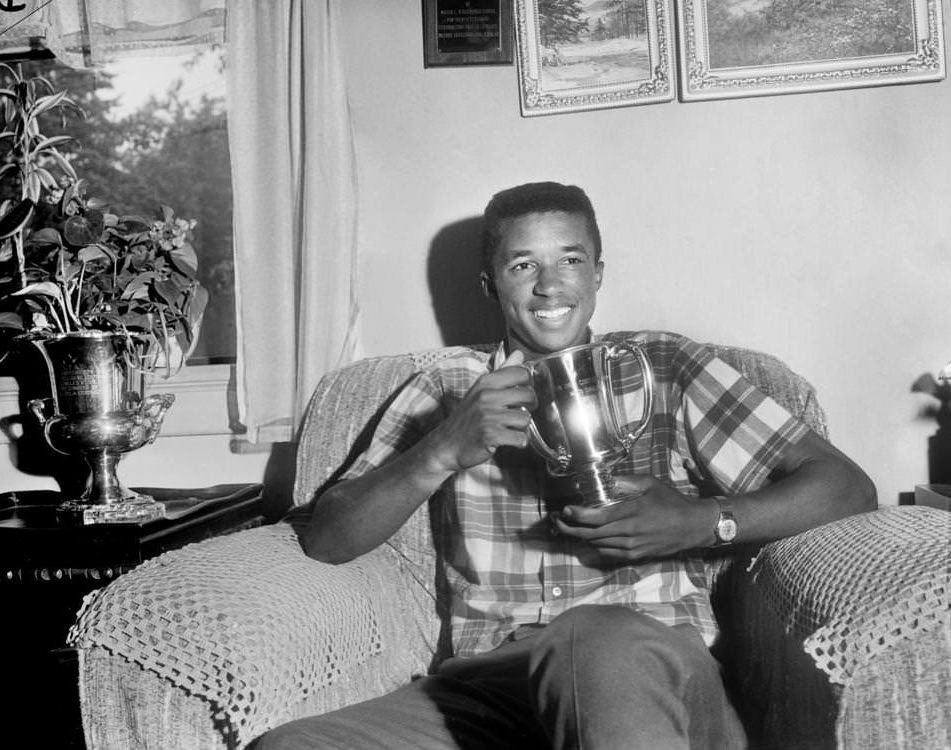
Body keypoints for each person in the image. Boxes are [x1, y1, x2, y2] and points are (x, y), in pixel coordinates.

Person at [254, 182, 876, 750]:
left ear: (599, 274)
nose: (550, 286)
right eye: (523, 265)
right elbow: (327, 539)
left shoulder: (666, 367)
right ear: (489, 284)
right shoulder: (447, 386)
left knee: (593, 640)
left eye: (570, 260)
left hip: (644, 672)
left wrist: (703, 522)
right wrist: (441, 449)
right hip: (490, 689)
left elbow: (847, 487)